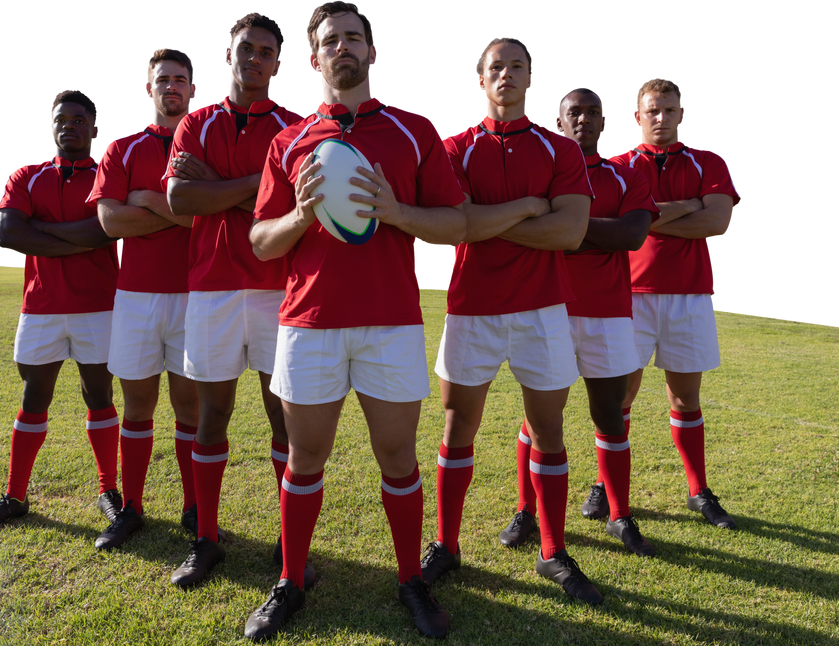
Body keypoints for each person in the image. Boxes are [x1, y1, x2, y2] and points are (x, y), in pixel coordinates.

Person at [241, 1, 466, 640]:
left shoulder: (415, 130)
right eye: (329, 41)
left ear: (372, 53)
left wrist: (395, 210)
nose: (342, 48)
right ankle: (289, 581)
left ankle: (410, 580)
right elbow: (261, 240)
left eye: (353, 39)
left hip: (390, 322)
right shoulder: (288, 143)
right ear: (312, 59)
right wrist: (300, 217)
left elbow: (453, 226)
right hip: (308, 322)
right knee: (304, 457)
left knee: (397, 456)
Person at [420, 36, 601, 605]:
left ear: (530, 79)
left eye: (516, 67)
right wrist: (526, 207)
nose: (505, 76)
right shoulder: (453, 147)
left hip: (543, 308)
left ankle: (552, 551)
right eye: (495, 67)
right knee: (457, 428)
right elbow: (453, 226)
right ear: (480, 80)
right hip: (472, 308)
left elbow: (569, 233)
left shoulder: (560, 150)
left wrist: (483, 220)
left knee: (548, 430)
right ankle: (446, 546)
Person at [159, 10, 306, 588]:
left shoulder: (296, 126)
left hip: (277, 289)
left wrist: (218, 186)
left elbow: (296, 209)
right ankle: (207, 539)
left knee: (283, 417)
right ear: (228, 55)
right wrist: (258, 187)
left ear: (278, 63)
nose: (255, 59)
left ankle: (289, 544)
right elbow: (179, 201)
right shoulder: (195, 121)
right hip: (213, 289)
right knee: (210, 414)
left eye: (266, 52)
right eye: (246, 49)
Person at [502, 86, 661, 559]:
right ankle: (526, 510)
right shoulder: (544, 172)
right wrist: (589, 231)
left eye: (594, 113)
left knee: (609, 413)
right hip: (549, 307)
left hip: (609, 312)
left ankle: (619, 514)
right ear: (558, 120)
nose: (585, 120)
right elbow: (534, 238)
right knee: (540, 417)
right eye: (575, 112)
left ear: (606, 123)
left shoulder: (625, 172)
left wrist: (568, 225)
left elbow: (633, 235)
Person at [0, 88, 121, 531]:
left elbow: (105, 232)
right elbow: (6, 234)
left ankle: (108, 491)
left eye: (80, 119)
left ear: (95, 129)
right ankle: (15, 496)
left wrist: (40, 229)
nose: (69, 125)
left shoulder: (108, 174)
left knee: (99, 397)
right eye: (62, 118)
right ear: (49, 125)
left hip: (101, 306)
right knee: (34, 396)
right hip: (41, 308)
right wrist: (78, 237)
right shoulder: (24, 174)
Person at [606, 76, 743, 529]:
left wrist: (647, 217)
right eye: (652, 111)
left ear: (682, 114)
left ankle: (698, 490)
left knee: (685, 398)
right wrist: (688, 206)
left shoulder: (710, 160)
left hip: (689, 295)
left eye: (669, 111)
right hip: (627, 296)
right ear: (635, 115)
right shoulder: (618, 164)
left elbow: (719, 222)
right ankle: (606, 487)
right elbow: (614, 222)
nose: (660, 118)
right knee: (616, 398)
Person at [85, 46, 200, 550]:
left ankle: (196, 507)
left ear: (194, 90)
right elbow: (110, 221)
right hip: (134, 297)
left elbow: (210, 218)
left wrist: (150, 201)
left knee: (189, 409)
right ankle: (131, 507)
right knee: (137, 408)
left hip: (197, 296)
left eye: (181, 79)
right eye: (163, 79)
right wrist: (178, 213)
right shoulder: (121, 147)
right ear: (147, 88)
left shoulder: (207, 146)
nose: (172, 87)